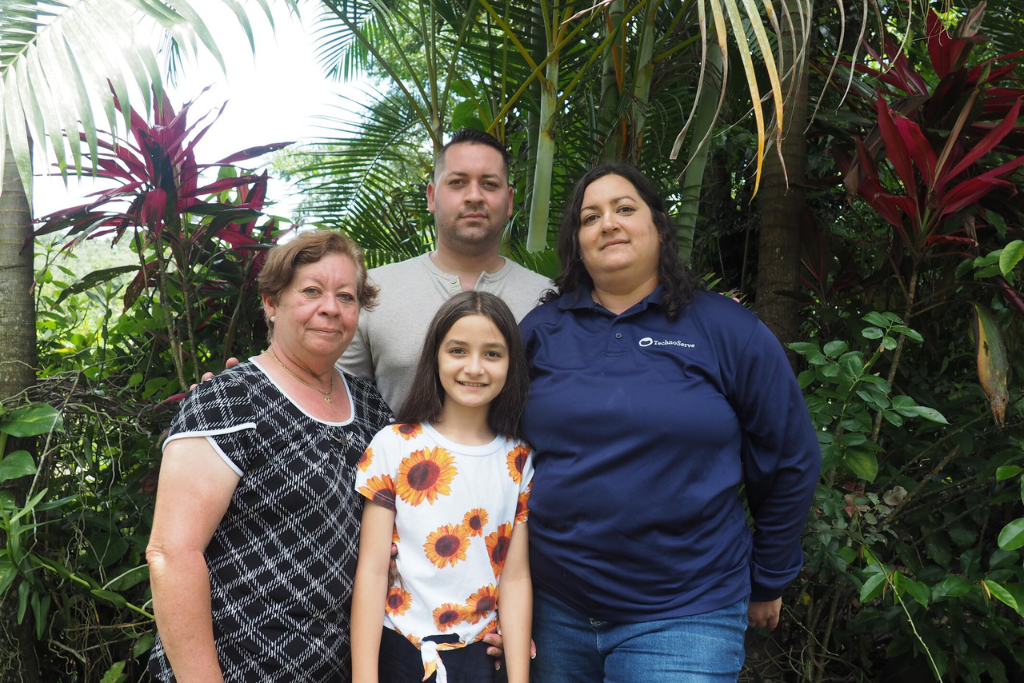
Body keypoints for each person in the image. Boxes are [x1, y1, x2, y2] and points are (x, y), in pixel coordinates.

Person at [519, 164, 821, 682]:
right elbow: (492, 447)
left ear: (659, 225)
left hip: (686, 613)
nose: (608, 223)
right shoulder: (538, 331)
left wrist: (770, 576)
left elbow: (790, 456)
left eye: (624, 209)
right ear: (577, 243)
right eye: (590, 217)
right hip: (551, 611)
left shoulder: (728, 330)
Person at [146, 231, 394, 682]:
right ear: (271, 303)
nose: (331, 308)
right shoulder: (227, 401)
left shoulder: (373, 409)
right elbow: (172, 553)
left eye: (346, 296)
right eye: (312, 291)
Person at [351, 291, 533, 683]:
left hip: (480, 657)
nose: (474, 367)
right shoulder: (393, 445)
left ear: (512, 364)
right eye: (458, 350)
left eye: (492, 354)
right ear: (435, 356)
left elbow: (515, 578)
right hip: (399, 650)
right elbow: (372, 571)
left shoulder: (519, 459)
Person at [338, 128, 550, 413]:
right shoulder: (373, 291)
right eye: (457, 182)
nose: (474, 196)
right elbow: (337, 399)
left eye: (489, 184)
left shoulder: (548, 297)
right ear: (432, 196)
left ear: (509, 200)